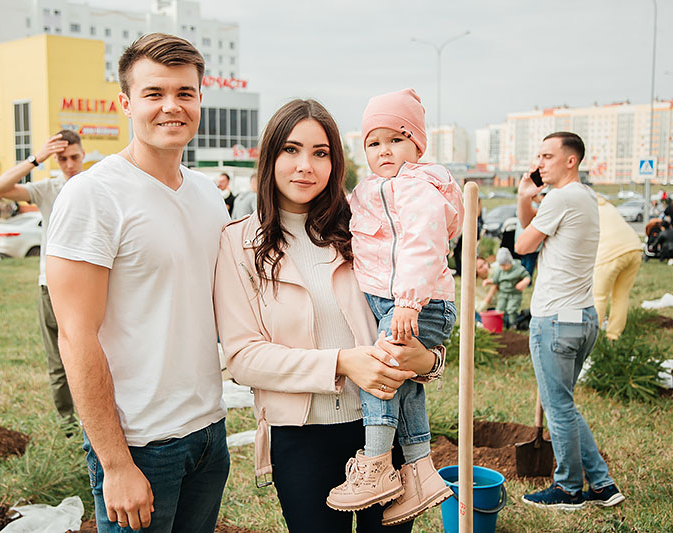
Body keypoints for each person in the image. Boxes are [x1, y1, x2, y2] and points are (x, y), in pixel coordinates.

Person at [215, 98, 445, 532]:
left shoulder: (367, 227)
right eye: (291, 149)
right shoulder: (238, 243)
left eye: (320, 153)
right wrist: (342, 362)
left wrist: (429, 362)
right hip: (301, 438)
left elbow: (420, 317)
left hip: (382, 429)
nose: (306, 166)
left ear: (336, 163)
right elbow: (243, 357)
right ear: (270, 156)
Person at [45, 33, 230, 532]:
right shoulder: (93, 196)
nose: (171, 106)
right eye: (154, 94)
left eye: (184, 93)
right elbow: (76, 335)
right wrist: (115, 462)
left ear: (198, 99)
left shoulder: (208, 196)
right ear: (126, 103)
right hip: (141, 443)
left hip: (209, 430)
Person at [325, 89, 461, 524]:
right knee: (405, 382)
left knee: (381, 370)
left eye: (396, 139)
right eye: (373, 142)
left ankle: (378, 461)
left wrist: (408, 303)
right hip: (394, 302)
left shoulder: (420, 186)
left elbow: (423, 244)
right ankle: (420, 470)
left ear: (418, 144)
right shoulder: (369, 190)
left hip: (420, 302)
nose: (384, 150)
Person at [515, 132, 624, 509]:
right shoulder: (585, 197)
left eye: (547, 156)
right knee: (564, 404)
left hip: (555, 320)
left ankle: (567, 489)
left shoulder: (561, 197)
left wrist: (527, 199)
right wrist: (524, 198)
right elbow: (533, 230)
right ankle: (602, 485)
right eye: (539, 156)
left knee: (559, 405)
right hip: (583, 317)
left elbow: (523, 244)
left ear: (570, 160)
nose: (540, 162)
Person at [0, 130, 85, 429]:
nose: (69, 164)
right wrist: (35, 158)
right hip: (51, 285)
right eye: (62, 158)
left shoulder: (95, 185)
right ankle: (68, 425)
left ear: (83, 154)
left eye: (74, 157)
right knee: (58, 361)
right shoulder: (48, 188)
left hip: (91, 283)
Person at [592, 195, 643, 339]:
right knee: (621, 296)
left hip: (610, 253)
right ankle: (613, 336)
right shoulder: (606, 206)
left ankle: (592, 341)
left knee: (599, 297)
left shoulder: (587, 208)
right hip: (634, 248)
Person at [481, 248, 531, 328]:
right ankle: (501, 324)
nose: (503, 267)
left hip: (514, 294)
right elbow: (495, 279)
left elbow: (527, 276)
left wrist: (524, 282)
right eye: (501, 265)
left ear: (510, 262)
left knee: (512, 309)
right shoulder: (499, 270)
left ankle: (513, 324)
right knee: (500, 309)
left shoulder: (517, 268)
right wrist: (487, 281)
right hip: (503, 294)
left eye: (505, 265)